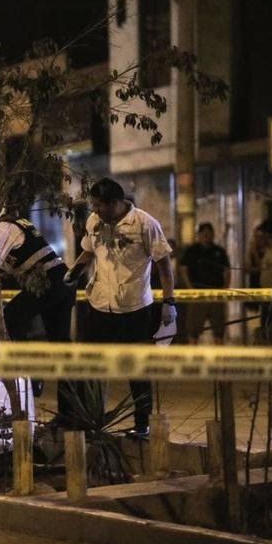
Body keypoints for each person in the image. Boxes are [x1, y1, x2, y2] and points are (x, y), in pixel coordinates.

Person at [64, 178, 177, 439]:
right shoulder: (94, 222)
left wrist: (169, 302)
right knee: (91, 365)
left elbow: (164, 264)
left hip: (134, 308)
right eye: (93, 205)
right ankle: (89, 422)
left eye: (99, 205)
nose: (95, 210)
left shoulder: (145, 224)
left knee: (136, 369)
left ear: (116, 203)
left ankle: (142, 424)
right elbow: (88, 252)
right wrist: (75, 271)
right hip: (100, 305)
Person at [0, 202, 78, 415]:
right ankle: (70, 415)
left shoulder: (3, 229)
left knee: (11, 317)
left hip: (49, 284)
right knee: (62, 349)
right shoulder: (8, 226)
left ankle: (32, 374)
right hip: (59, 284)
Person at [179, 223, 231, 345]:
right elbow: (183, 269)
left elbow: (227, 271)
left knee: (218, 330)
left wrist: (225, 289)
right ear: (199, 235)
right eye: (204, 233)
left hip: (216, 295)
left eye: (209, 233)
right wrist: (190, 288)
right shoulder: (192, 250)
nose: (206, 236)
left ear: (212, 234)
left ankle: (220, 361)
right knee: (193, 330)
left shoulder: (219, 251)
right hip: (197, 295)